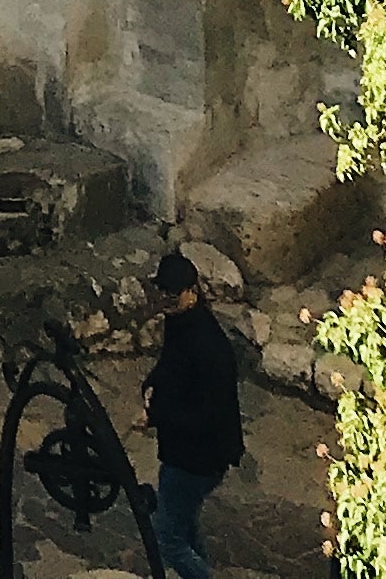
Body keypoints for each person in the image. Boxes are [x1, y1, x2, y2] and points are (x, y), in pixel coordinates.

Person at [142, 246, 245, 577]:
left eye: (172, 294)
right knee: (183, 523)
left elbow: (208, 418)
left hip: (197, 459)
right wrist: (152, 383)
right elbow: (170, 364)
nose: (166, 301)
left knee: (167, 538)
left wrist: (156, 417)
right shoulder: (183, 322)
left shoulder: (210, 348)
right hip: (185, 453)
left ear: (191, 292)